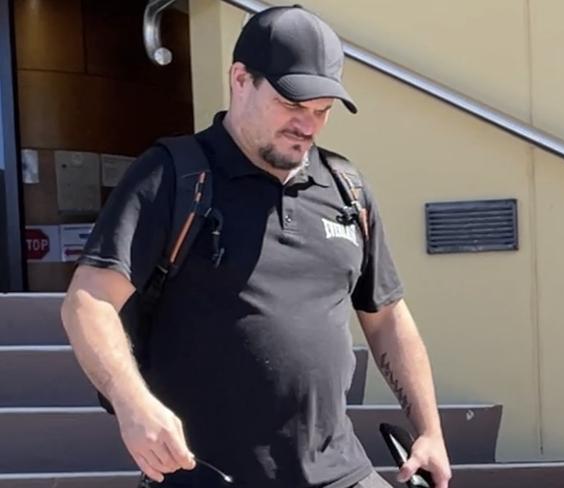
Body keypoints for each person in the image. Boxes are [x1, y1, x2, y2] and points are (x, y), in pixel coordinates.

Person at [61, 5, 451, 488]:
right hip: (206, 475)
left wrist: (430, 431)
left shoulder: (346, 188)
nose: (307, 126)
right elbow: (89, 301)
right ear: (240, 79)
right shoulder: (173, 176)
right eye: (292, 106)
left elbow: (387, 316)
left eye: (321, 112)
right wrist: (132, 404)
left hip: (340, 472)